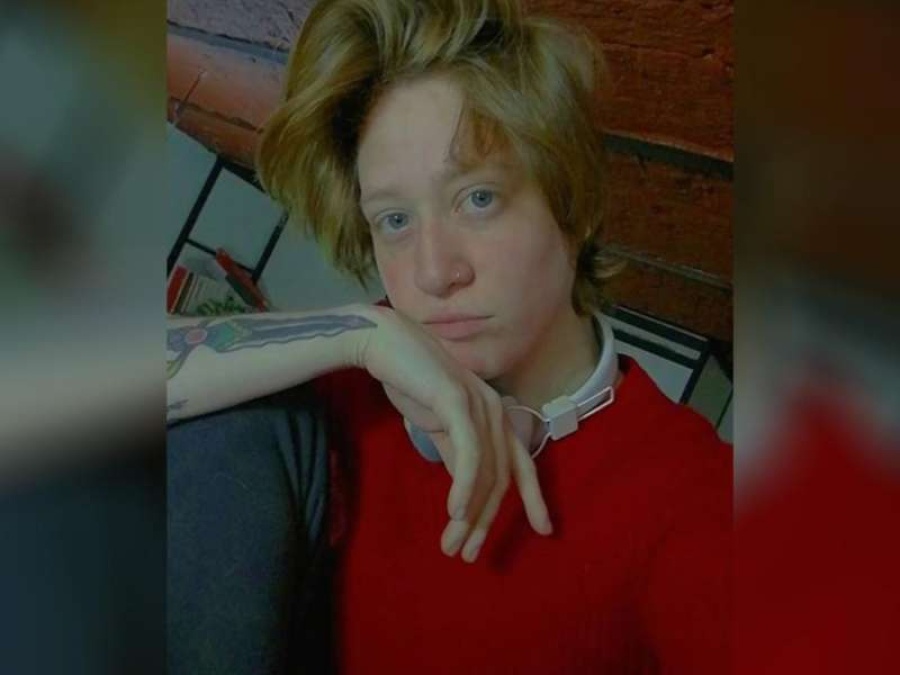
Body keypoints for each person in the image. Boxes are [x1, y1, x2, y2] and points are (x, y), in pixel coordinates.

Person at [167, 0, 731, 673]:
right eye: (395, 220)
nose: (435, 272)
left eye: (478, 198)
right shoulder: (359, 369)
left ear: (573, 205)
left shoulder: (691, 491)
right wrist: (359, 331)